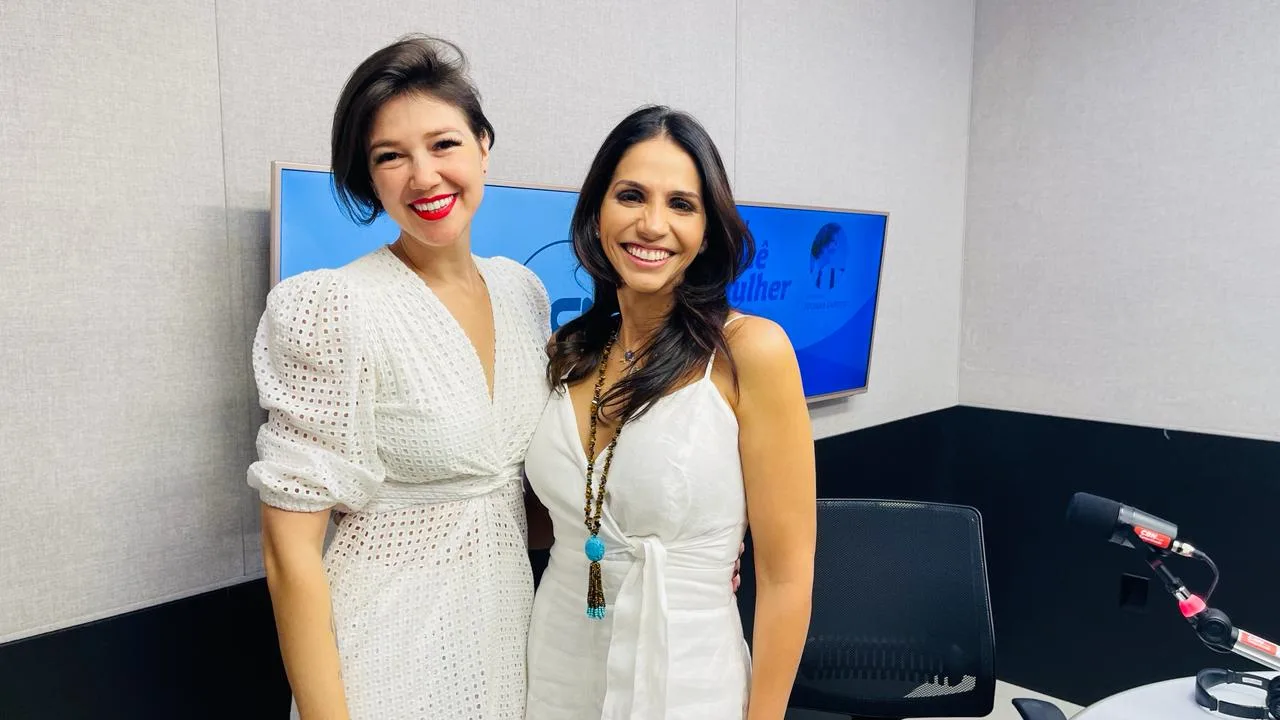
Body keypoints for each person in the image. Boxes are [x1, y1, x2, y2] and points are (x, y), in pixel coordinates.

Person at [247, 35, 550, 719]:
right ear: (370, 176)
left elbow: (527, 492)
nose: (423, 176)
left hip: (507, 634)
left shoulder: (521, 291)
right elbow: (287, 553)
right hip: (387, 649)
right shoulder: (335, 307)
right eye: (391, 156)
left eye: (444, 144)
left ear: (482, 146)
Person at [524, 106, 817, 719]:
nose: (652, 224)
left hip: (686, 671)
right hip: (556, 658)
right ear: (598, 212)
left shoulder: (749, 352)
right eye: (631, 196)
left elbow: (787, 577)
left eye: (681, 204)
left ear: (708, 230)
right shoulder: (568, 351)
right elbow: (549, 520)